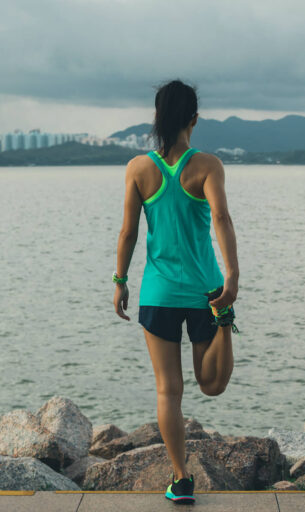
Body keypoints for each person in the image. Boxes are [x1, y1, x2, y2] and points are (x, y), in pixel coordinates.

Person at [112, 79, 239, 504]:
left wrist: (120, 281)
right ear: (194, 120)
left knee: (169, 390)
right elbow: (221, 218)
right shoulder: (207, 165)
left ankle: (181, 478)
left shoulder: (138, 168)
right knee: (211, 384)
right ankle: (226, 323)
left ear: (157, 119)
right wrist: (233, 276)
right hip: (206, 290)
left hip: (158, 293)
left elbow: (129, 232)